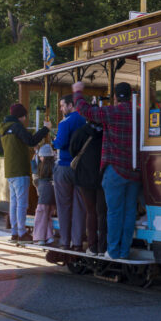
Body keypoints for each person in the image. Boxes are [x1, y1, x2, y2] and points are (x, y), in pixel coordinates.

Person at [72, 80, 140, 260]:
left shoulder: (112, 112)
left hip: (115, 169)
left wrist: (78, 92)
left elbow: (85, 110)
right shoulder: (139, 113)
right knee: (129, 212)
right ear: (132, 94)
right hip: (134, 170)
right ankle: (124, 251)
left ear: (116, 97)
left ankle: (113, 251)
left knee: (114, 212)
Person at [0, 103, 51, 242]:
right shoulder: (17, 127)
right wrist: (46, 128)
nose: (25, 120)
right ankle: (22, 233)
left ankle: (15, 232)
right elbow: (31, 140)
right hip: (20, 169)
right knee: (22, 203)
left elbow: (10, 148)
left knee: (14, 203)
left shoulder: (4, 129)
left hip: (10, 170)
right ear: (21, 116)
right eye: (24, 117)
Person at [51, 94, 86, 250]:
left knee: (64, 206)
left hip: (64, 166)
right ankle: (78, 242)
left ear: (71, 105)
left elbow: (60, 143)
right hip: (80, 167)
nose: (61, 108)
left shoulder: (65, 123)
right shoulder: (84, 119)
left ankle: (65, 241)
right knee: (80, 206)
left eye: (62, 105)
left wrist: (53, 140)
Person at [69, 121, 107, 255]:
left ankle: (92, 246)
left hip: (84, 177)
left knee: (91, 212)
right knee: (102, 212)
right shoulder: (106, 132)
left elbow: (72, 151)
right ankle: (103, 247)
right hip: (102, 177)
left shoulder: (80, 132)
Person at [32, 145, 56, 245]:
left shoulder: (41, 169)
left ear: (44, 157)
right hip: (53, 199)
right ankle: (49, 237)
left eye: (41, 156)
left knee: (40, 218)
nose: (40, 158)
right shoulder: (54, 167)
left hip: (43, 199)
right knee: (47, 217)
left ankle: (40, 238)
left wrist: (34, 158)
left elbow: (35, 176)